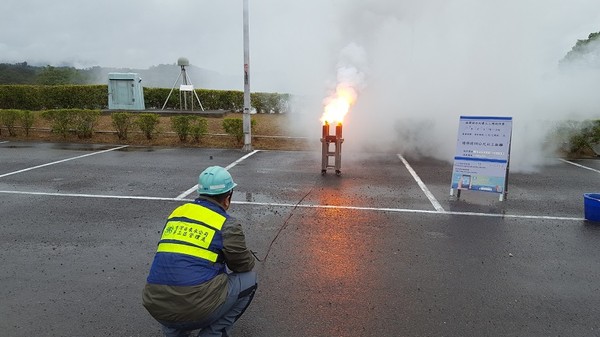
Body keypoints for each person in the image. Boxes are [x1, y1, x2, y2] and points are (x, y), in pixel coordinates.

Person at [143, 166, 257, 337]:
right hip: (195, 307)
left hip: (156, 304)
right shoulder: (226, 224)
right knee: (250, 279)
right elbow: (242, 265)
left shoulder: (177, 213)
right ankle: (213, 333)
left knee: (178, 272)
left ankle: (175, 333)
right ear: (227, 197)